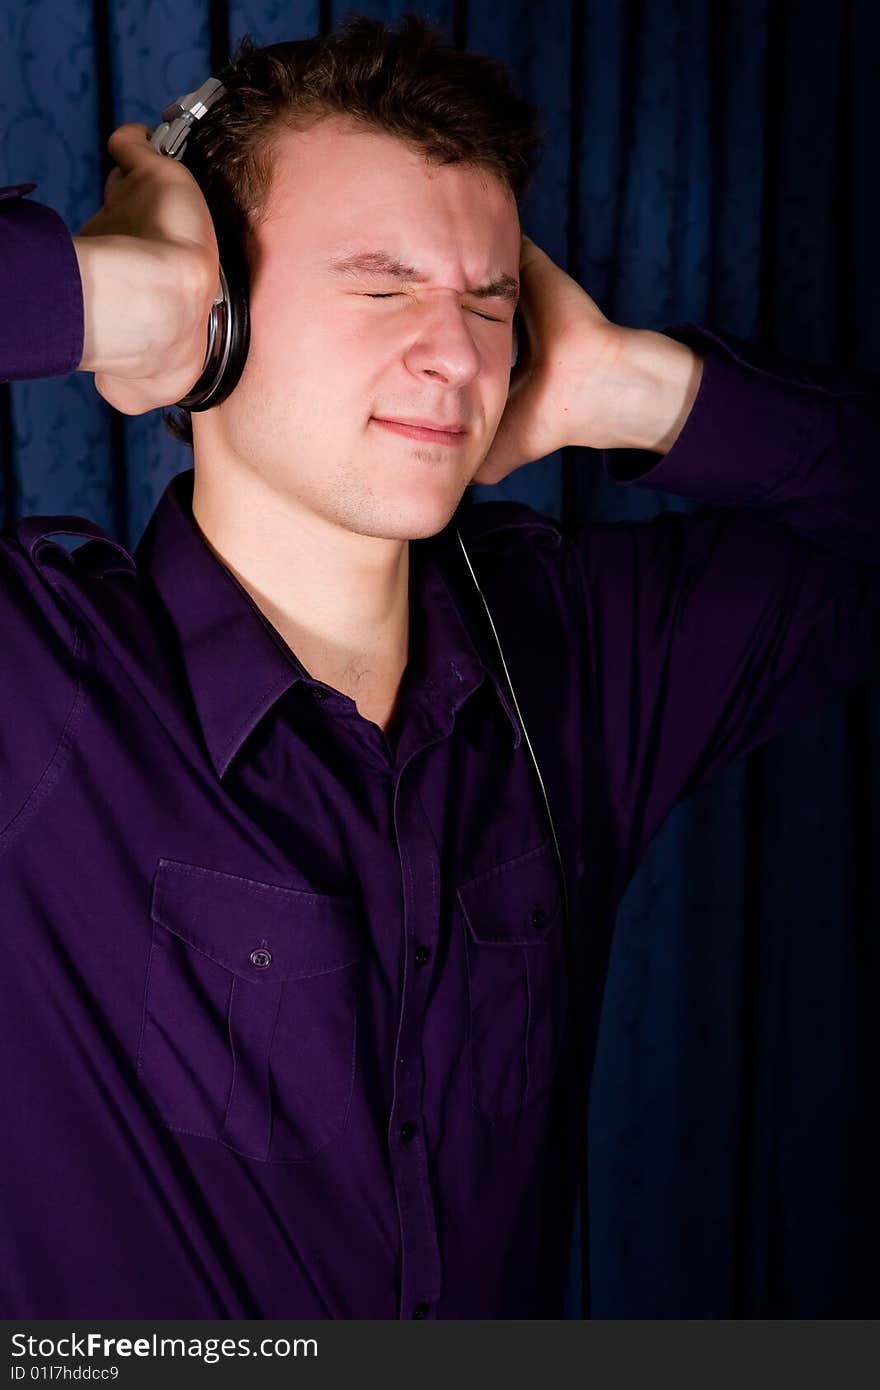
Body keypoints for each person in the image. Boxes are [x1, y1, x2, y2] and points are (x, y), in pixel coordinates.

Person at [0, 15, 877, 1320]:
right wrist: (111, 300)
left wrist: (627, 389)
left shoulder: (579, 658)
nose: (458, 352)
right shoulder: (41, 678)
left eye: (486, 299)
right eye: (382, 285)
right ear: (220, 322)